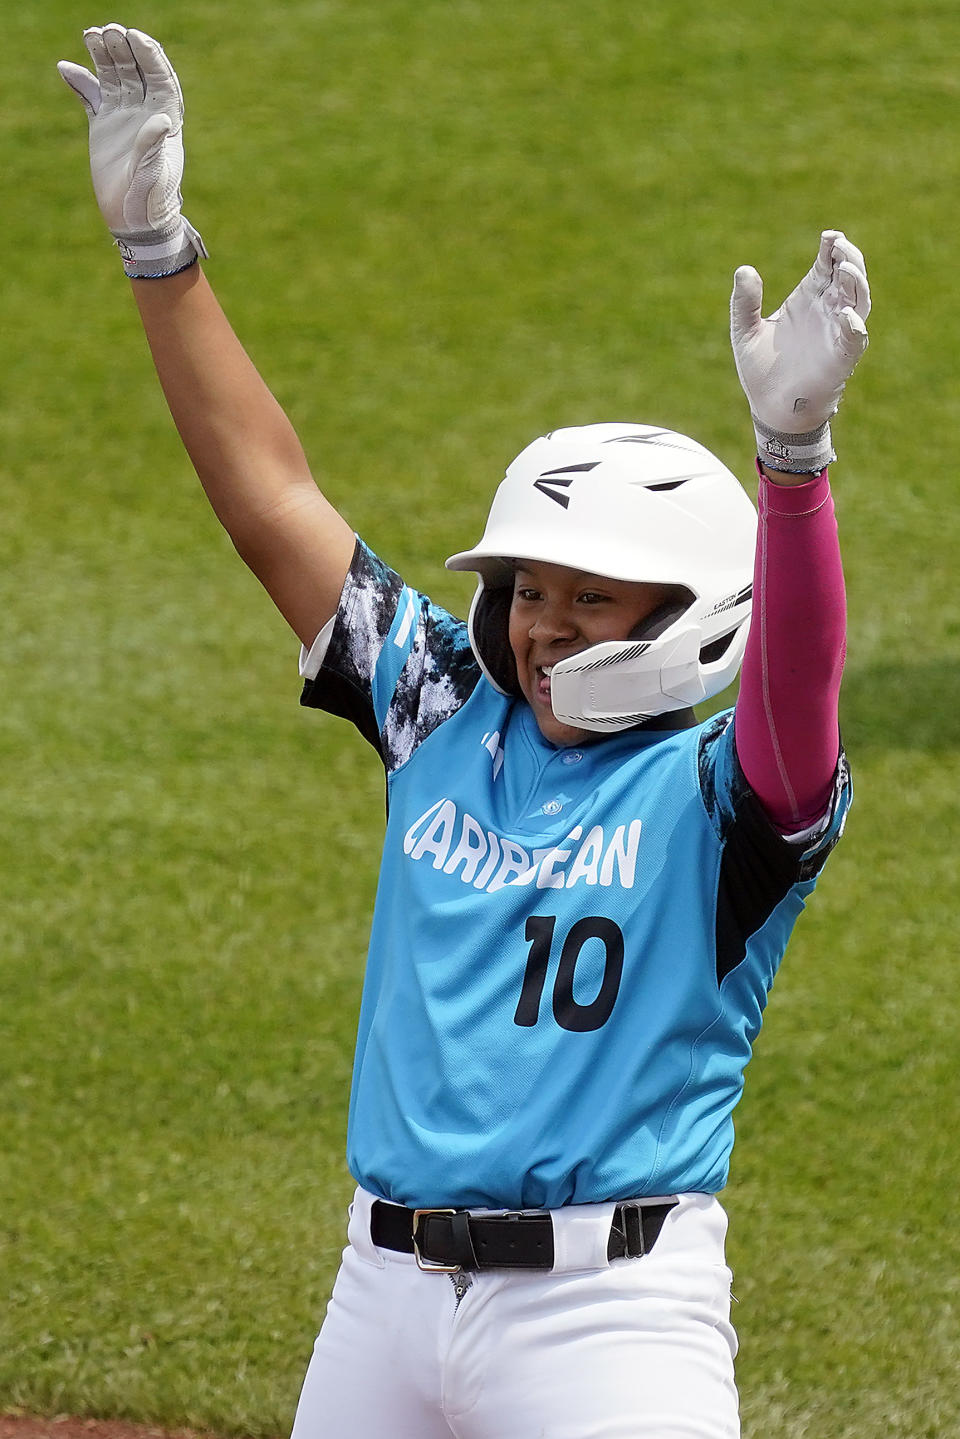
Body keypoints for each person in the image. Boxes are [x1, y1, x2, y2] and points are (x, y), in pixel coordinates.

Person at [58, 25, 870, 1439]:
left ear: (690, 615)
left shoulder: (731, 803)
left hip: (609, 1324)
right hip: (380, 1299)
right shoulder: (442, 708)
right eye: (527, 591)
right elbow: (275, 505)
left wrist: (792, 472)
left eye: (590, 598)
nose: (544, 626)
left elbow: (796, 684)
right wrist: (160, 253)